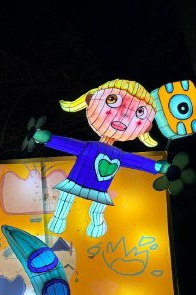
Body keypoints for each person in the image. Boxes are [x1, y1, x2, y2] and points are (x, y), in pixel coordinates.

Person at [33, 79, 170, 237]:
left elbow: (137, 162)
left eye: (140, 112)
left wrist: (157, 167)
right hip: (77, 181)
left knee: (96, 208)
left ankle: (96, 222)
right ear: (90, 100)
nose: (124, 114)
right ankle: (59, 218)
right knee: (66, 197)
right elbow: (68, 144)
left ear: (146, 128)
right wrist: (49, 139)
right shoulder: (90, 147)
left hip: (99, 188)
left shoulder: (118, 155)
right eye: (112, 99)